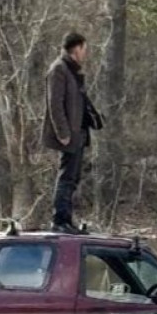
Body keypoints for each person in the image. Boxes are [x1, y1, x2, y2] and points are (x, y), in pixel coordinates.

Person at [41, 32, 103, 234]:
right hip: (69, 134)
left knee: (73, 177)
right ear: (76, 49)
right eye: (84, 49)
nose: (86, 53)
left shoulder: (73, 71)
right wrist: (63, 132)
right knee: (66, 176)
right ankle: (59, 220)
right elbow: (55, 104)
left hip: (79, 132)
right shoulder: (58, 70)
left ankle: (66, 220)